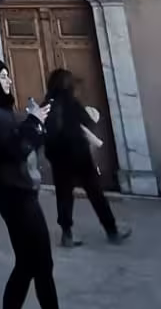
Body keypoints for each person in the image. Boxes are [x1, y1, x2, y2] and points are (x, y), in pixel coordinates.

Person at [0, 53, 97, 309]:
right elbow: (13, 150)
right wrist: (32, 123)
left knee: (42, 264)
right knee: (29, 264)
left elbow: (25, 142)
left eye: (8, 76)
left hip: (24, 192)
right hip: (12, 195)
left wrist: (38, 123)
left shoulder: (4, 111)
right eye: (2, 77)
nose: (8, 81)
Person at [44, 69, 130, 248]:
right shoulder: (71, 103)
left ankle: (66, 235)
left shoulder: (46, 104)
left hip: (58, 156)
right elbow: (89, 122)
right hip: (78, 155)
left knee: (64, 196)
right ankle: (112, 231)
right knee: (96, 193)